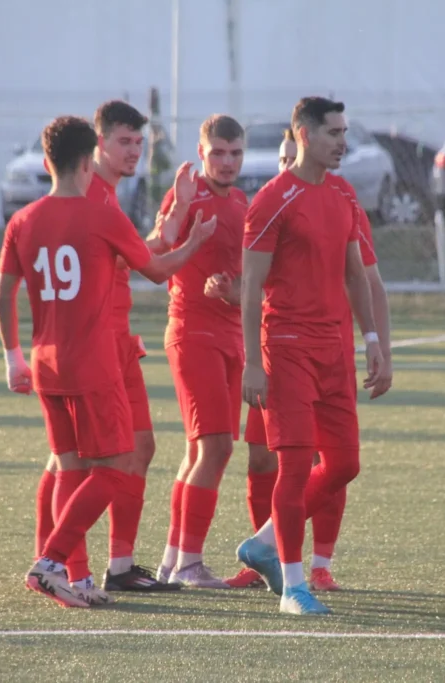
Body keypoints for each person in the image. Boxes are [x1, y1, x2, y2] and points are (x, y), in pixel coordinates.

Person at [0, 115, 216, 608]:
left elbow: (1, 294)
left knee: (70, 469)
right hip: (93, 362)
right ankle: (51, 562)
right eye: (126, 142)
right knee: (118, 466)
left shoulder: (22, 219)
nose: (135, 150)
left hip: (45, 363)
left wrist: (12, 357)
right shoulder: (101, 212)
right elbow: (157, 271)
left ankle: (77, 578)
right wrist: (195, 242)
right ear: (88, 155)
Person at [234, 97, 385, 615]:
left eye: (345, 132)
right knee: (295, 466)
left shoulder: (344, 195)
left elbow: (356, 275)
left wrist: (372, 341)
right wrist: (253, 361)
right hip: (287, 348)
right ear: (303, 134)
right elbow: (251, 288)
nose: (342, 142)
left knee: (343, 465)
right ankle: (293, 587)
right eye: (332, 133)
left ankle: (266, 541)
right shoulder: (273, 198)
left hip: (334, 350)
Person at [31, 100, 181, 593]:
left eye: (140, 142)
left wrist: (160, 236)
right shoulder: (87, 196)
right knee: (72, 463)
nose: (134, 151)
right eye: (124, 142)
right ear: (98, 145)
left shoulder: (108, 196)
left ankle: (117, 566)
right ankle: (64, 566)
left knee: (137, 449)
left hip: (118, 341)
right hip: (92, 346)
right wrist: (179, 241)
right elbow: (132, 266)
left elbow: (123, 258)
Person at [149, 114, 249, 589]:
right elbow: (156, 248)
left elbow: (249, 277)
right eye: (218, 153)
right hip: (193, 330)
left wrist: (235, 292)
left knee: (201, 452)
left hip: (231, 335)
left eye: (236, 154)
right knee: (216, 448)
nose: (227, 162)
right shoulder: (187, 194)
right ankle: (190, 563)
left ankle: (173, 561)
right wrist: (180, 214)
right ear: (202, 150)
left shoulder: (243, 202)